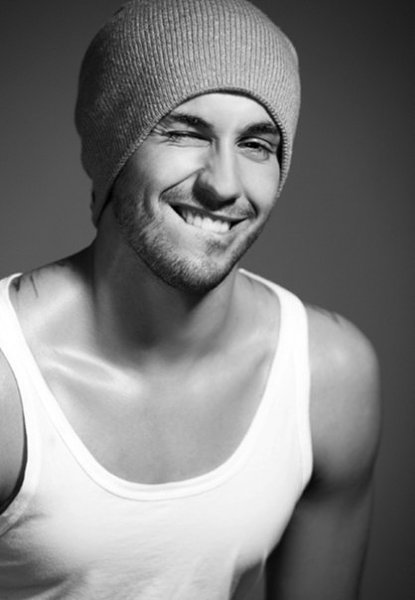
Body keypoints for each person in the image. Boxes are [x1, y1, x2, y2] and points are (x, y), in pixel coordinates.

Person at [0, 0, 381, 598]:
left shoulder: (328, 377)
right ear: (113, 149)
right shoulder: (8, 383)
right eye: (184, 133)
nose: (224, 184)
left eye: (256, 145)